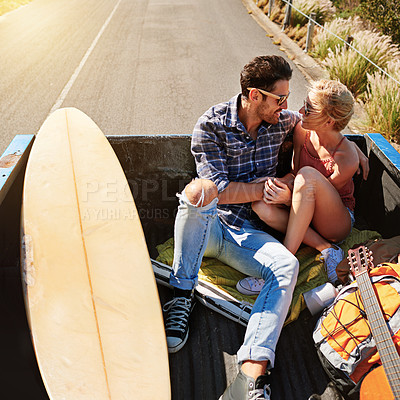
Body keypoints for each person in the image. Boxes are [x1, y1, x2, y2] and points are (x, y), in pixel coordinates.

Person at [162, 56, 367, 400]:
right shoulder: (211, 125)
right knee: (197, 192)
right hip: (212, 225)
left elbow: (325, 136)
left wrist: (356, 152)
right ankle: (182, 294)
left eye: (289, 99)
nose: (288, 108)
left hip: (250, 233)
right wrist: (262, 188)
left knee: (287, 265)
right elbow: (218, 190)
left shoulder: (283, 121)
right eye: (280, 99)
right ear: (254, 96)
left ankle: (251, 375)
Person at [238, 80, 362, 297]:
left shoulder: (346, 157)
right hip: (303, 208)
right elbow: (296, 175)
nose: (301, 110)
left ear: (329, 120)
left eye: (310, 109)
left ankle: (282, 267)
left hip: (335, 222)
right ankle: (327, 250)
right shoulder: (302, 131)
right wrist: (279, 186)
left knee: (308, 176)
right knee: (261, 203)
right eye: (305, 104)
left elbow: (310, 191)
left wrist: (288, 199)